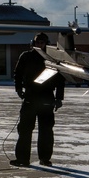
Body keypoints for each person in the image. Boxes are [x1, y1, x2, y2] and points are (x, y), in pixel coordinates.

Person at [11, 32, 65, 166]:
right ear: (33, 43)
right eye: (37, 42)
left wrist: (59, 98)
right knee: (24, 129)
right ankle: (23, 158)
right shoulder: (26, 56)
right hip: (30, 96)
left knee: (46, 130)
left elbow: (60, 79)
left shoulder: (53, 58)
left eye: (42, 42)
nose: (39, 45)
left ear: (46, 43)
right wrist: (18, 88)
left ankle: (45, 158)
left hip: (47, 98)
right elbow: (17, 74)